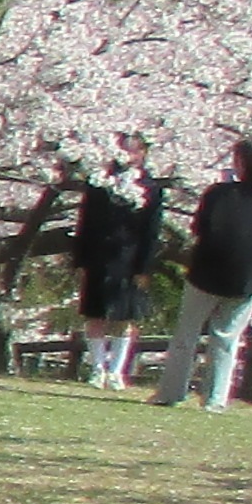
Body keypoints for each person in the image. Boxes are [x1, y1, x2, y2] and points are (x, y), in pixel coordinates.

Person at [161, 135, 252, 409]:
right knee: (226, 339)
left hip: (206, 272)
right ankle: (215, 399)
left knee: (186, 337)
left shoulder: (218, 193)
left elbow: (199, 228)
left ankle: (171, 393)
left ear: (241, 163)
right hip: (246, 278)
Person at [68, 149, 166, 388]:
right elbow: (85, 222)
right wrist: (80, 260)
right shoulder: (99, 184)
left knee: (125, 316)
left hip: (130, 259)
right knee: (94, 315)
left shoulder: (150, 188)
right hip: (98, 256)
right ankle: (97, 368)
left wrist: (143, 267)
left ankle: (117, 371)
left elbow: (151, 232)